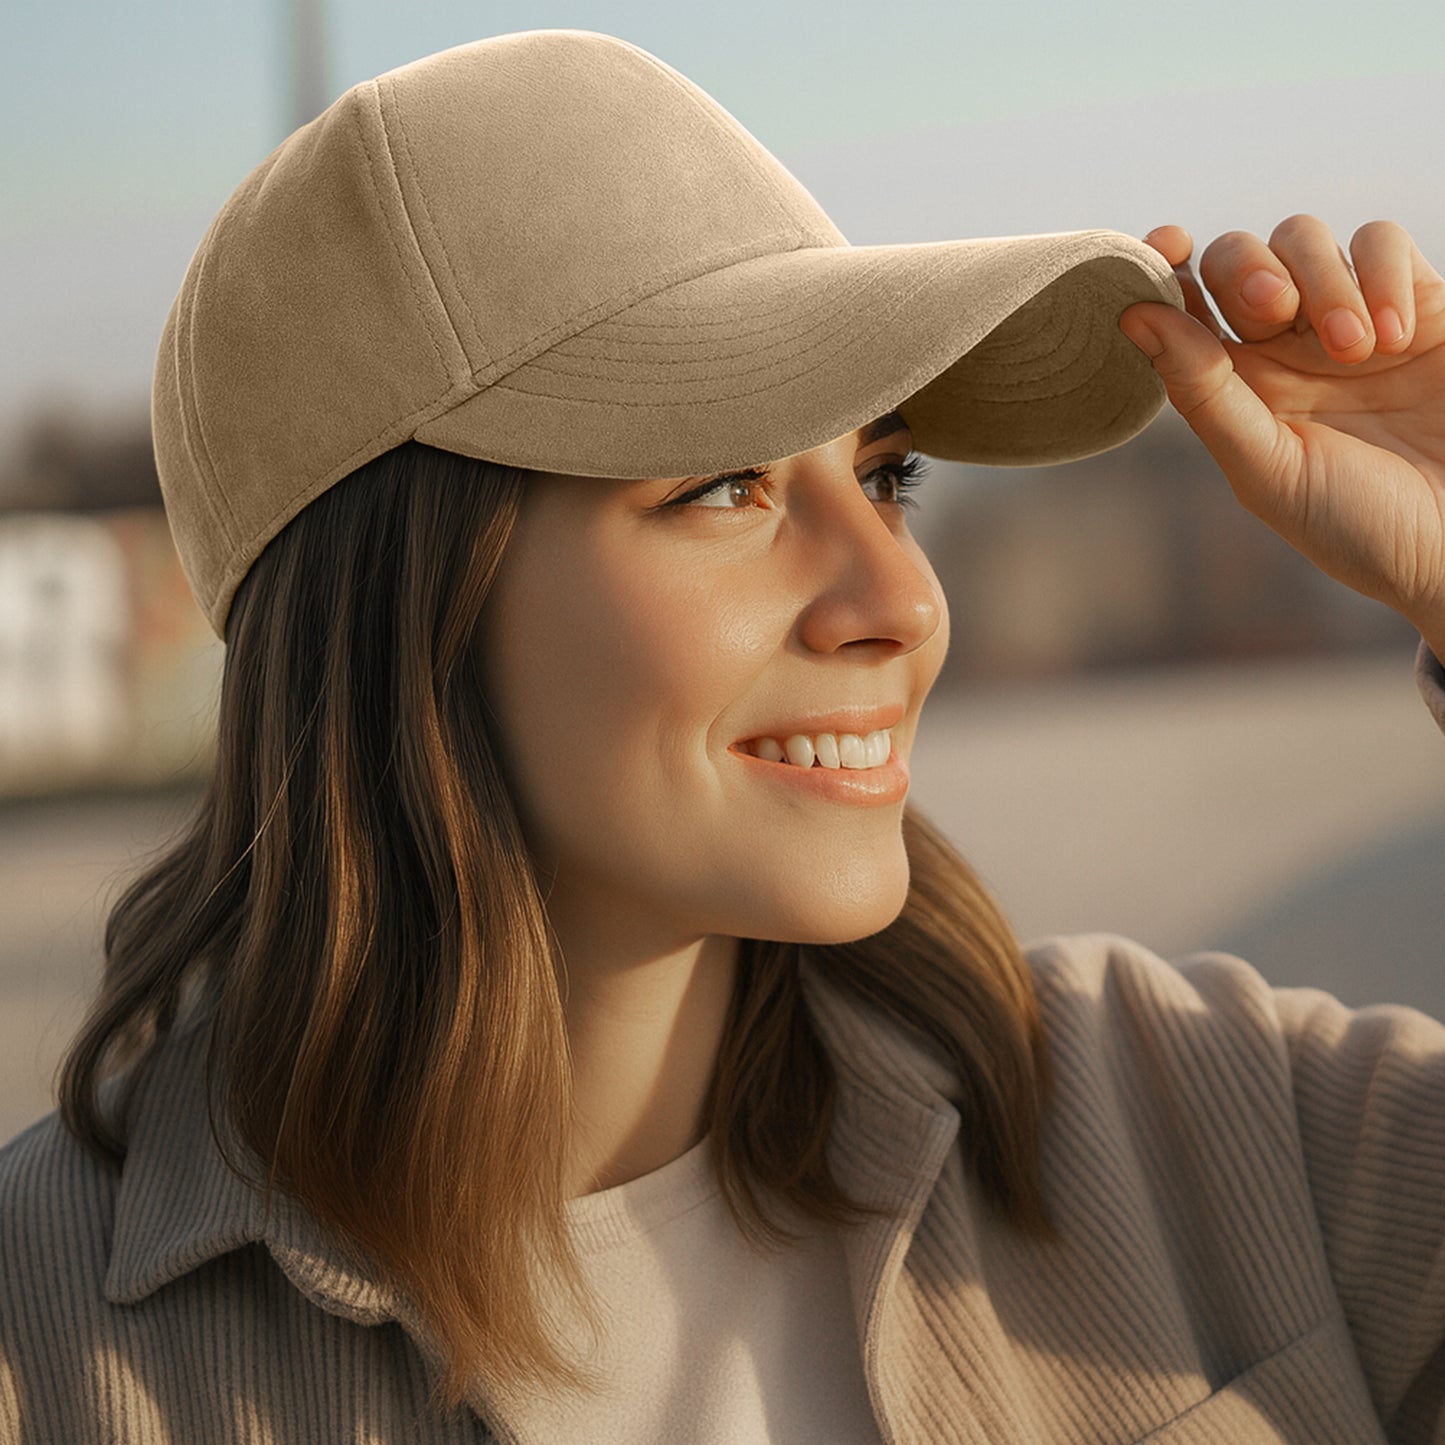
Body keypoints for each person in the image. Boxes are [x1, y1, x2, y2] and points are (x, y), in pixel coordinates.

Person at [2, 26, 1443, 1445]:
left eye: (887, 474)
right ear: (398, 605)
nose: (901, 597)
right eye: (723, 486)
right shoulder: (42, 1351)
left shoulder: (1206, 1126)